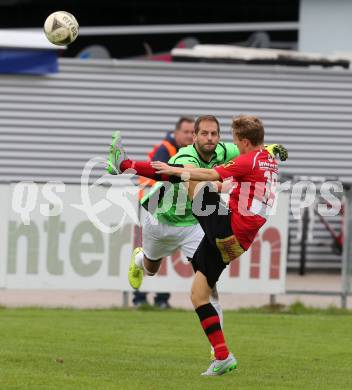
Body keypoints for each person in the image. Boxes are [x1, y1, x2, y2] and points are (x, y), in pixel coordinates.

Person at [107, 115, 287, 365]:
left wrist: (267, 148)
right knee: (151, 268)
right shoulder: (184, 157)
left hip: (193, 225)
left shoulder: (228, 149)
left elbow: (252, 148)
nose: (211, 139)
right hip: (161, 219)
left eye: (215, 134)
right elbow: (168, 174)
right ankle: (140, 259)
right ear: (195, 136)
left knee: (207, 290)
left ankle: (219, 353)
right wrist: (134, 166)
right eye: (204, 134)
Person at [150, 114, 280, 375]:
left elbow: (209, 173)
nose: (232, 143)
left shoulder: (247, 159)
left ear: (243, 141)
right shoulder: (268, 159)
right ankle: (222, 356)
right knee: (198, 295)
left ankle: (126, 165)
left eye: (234, 139)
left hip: (228, 228)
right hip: (236, 243)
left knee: (194, 182)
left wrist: (174, 169)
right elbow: (232, 182)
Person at [132, 116, 195, 308]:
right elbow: (160, 178)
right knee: (155, 254)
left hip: (172, 208)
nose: (190, 136)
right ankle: (140, 299)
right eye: (186, 132)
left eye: (193, 132)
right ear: (175, 133)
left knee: (166, 253)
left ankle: (161, 299)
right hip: (152, 206)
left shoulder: (189, 152)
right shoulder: (165, 149)